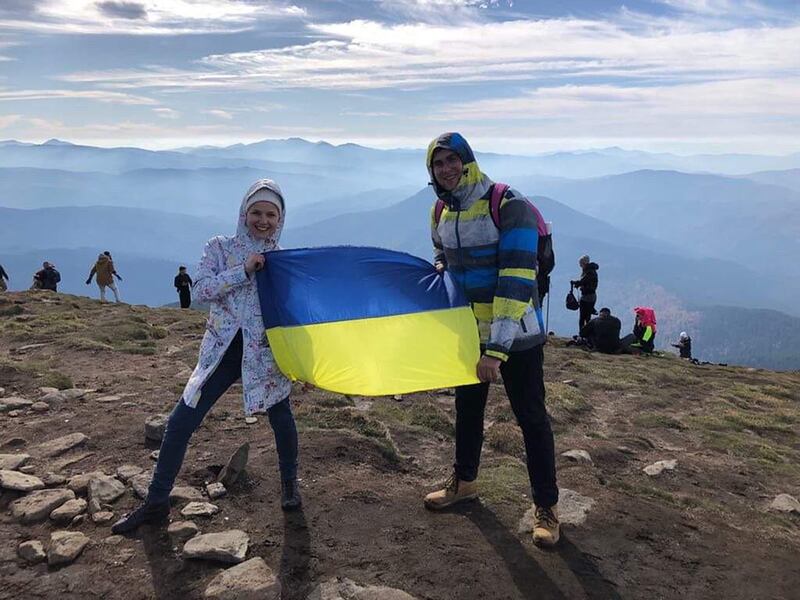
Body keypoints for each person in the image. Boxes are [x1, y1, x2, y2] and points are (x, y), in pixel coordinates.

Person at [112, 179, 301, 534]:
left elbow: (294, 310)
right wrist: (244, 270)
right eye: (256, 212)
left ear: (281, 218)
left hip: (266, 355)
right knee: (181, 422)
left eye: (270, 214)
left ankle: (290, 485)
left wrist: (302, 359)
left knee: (282, 420)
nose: (263, 220)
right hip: (222, 353)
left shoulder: (283, 260)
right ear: (244, 214)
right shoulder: (219, 247)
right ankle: (156, 503)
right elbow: (201, 290)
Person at [424, 132, 560, 547]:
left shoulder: (509, 205)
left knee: (531, 418)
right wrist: (439, 266)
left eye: (453, 160)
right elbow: (444, 257)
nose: (446, 169)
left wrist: (496, 351)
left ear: (468, 161)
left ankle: (547, 508)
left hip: (516, 337)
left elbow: (517, 281)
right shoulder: (441, 212)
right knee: (467, 410)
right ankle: (464, 482)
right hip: (469, 334)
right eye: (438, 163)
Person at [571, 255, 599, 332]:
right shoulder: (591, 270)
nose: (580, 266)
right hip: (591, 296)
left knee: (583, 317)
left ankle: (583, 334)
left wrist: (576, 283)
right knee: (587, 316)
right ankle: (587, 335)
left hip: (587, 296)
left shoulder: (589, 272)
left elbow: (584, 281)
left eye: (581, 264)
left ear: (584, 263)